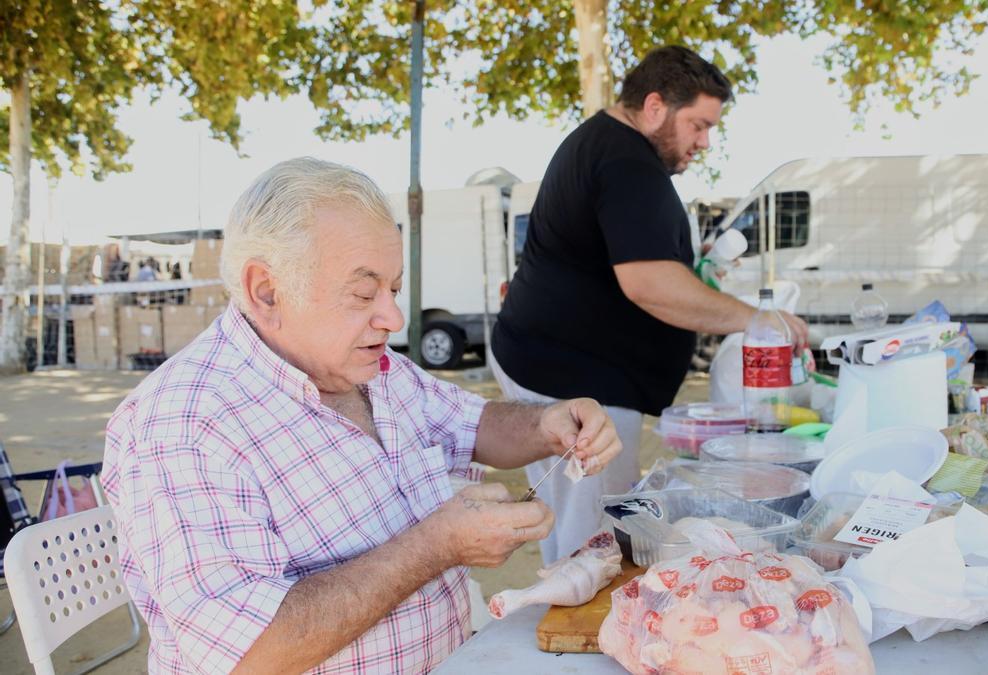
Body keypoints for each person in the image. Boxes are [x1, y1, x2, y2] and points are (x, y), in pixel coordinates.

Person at [101, 157, 623, 674]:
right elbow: (248, 652)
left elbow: (472, 424)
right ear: (267, 290)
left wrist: (545, 424)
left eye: (393, 289)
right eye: (363, 292)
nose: (393, 317)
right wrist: (436, 545)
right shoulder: (182, 425)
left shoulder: (376, 367)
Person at [489, 45, 808, 564]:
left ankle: (576, 613)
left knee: (581, 525)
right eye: (698, 125)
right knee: (593, 539)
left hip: (559, 366)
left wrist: (691, 266)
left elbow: (633, 261)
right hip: (573, 379)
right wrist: (756, 319)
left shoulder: (607, 147)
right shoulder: (626, 161)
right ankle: (580, 634)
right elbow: (649, 284)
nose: (704, 142)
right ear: (655, 106)